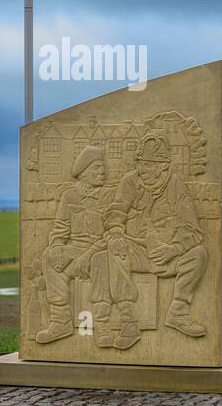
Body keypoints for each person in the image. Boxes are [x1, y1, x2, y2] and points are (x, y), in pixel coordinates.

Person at [106, 134, 208, 340]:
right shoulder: (130, 181)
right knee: (115, 248)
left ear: (163, 166)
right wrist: (116, 232)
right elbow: (116, 213)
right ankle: (128, 320)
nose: (141, 169)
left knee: (199, 254)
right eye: (139, 163)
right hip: (136, 250)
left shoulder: (175, 186)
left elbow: (192, 228)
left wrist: (175, 249)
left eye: (148, 164)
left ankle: (178, 313)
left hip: (167, 255)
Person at [34, 146, 128, 347]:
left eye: (103, 168)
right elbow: (60, 228)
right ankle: (61, 322)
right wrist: (57, 247)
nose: (102, 172)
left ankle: (102, 326)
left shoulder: (111, 195)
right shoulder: (70, 196)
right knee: (48, 256)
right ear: (84, 172)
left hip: (100, 249)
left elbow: (113, 231)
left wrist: (91, 252)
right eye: (97, 168)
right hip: (75, 251)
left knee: (100, 261)